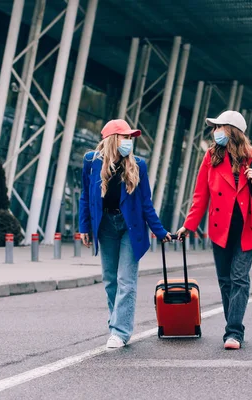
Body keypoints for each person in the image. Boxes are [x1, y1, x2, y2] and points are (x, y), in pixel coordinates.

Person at [177, 110, 252, 350]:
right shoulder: (211, 157)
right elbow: (200, 195)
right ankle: (232, 325)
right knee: (224, 280)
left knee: (239, 278)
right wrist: (188, 225)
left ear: (232, 131)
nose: (215, 132)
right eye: (214, 128)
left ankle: (233, 332)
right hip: (220, 228)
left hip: (247, 227)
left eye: (219, 127)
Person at [79, 119, 172, 349]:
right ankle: (117, 324)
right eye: (125, 137)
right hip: (105, 226)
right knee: (110, 279)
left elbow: (146, 203)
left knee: (126, 281)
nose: (129, 142)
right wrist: (84, 227)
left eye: (131, 138)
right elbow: (85, 196)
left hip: (130, 227)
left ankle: (120, 331)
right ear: (112, 139)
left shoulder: (138, 164)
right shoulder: (91, 162)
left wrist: (160, 232)